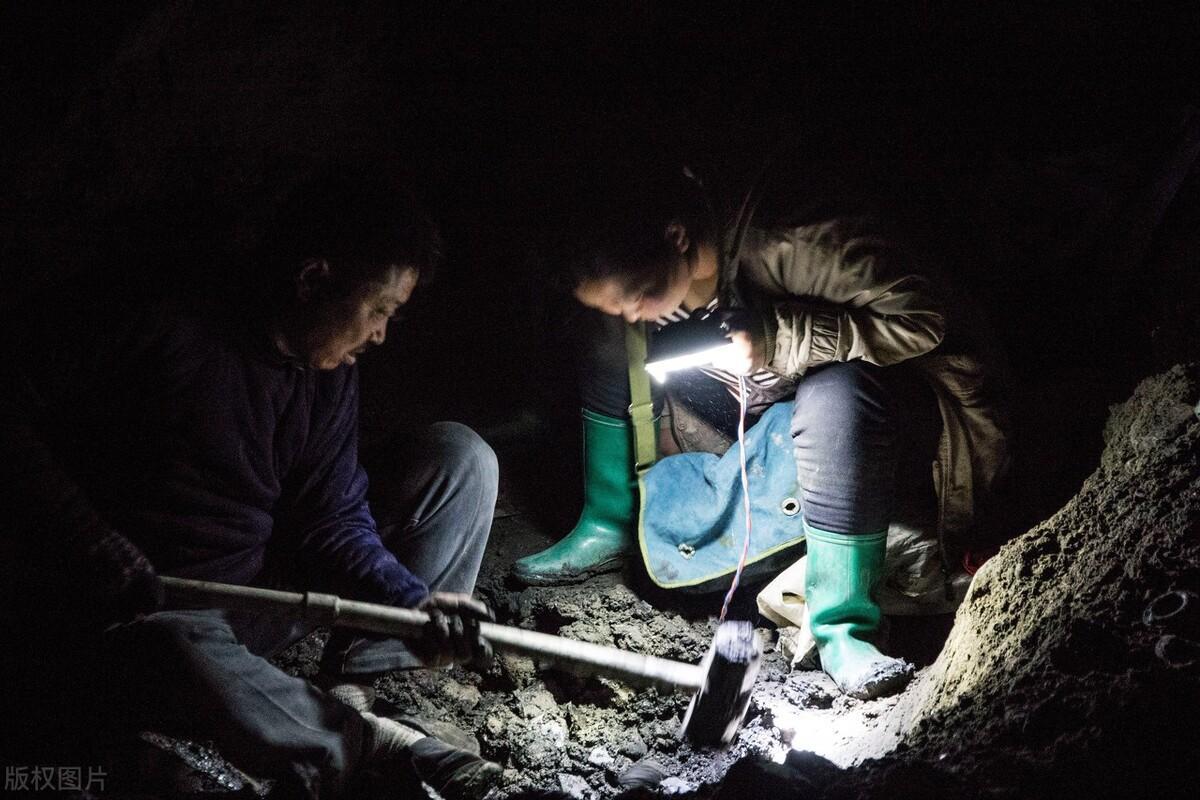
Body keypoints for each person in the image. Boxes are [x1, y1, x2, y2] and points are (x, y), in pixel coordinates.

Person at [0, 175, 502, 798]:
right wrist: (83, 538)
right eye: (378, 310)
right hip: (142, 604)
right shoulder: (157, 316)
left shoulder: (323, 370)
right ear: (312, 279)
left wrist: (413, 603)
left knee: (460, 459)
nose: (380, 335)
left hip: (256, 595)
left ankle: (354, 688)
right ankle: (366, 743)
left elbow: (331, 517)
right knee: (169, 646)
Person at [513, 168, 1011, 700]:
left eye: (638, 294)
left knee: (836, 392)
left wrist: (778, 334)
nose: (632, 313)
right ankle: (610, 519)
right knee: (605, 336)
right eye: (616, 303)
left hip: (877, 422)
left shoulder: (791, 241)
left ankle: (842, 628)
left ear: (677, 237)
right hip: (762, 413)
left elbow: (924, 318)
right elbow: (626, 312)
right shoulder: (656, 282)